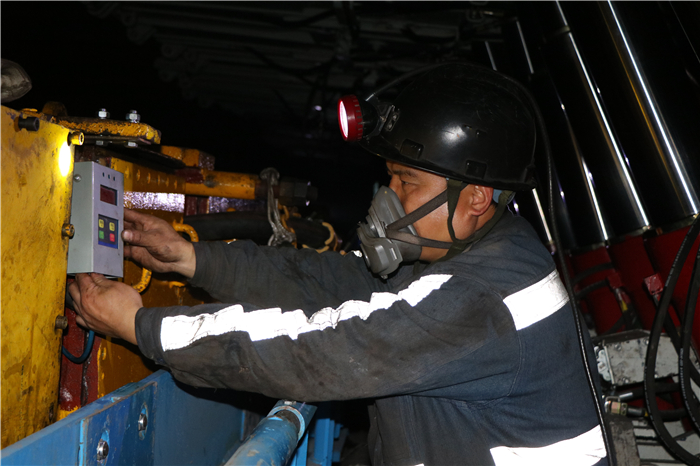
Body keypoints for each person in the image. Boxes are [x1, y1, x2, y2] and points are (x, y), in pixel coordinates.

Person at [69, 63, 608, 466]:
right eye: (390, 176)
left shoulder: (482, 296)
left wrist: (141, 326)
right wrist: (192, 258)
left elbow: (318, 352)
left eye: (407, 182)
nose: (389, 197)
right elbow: (333, 281)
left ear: (476, 198)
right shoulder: (474, 247)